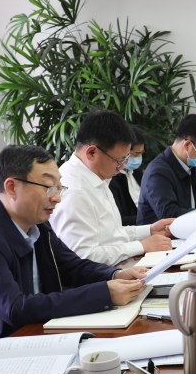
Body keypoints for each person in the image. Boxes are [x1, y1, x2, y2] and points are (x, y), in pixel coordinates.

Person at [0, 145, 148, 360]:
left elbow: (73, 267)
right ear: (11, 187)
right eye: (49, 188)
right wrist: (104, 294)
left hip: (30, 337)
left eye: (59, 189)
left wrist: (115, 274)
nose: (57, 198)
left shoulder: (37, 226)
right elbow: (15, 308)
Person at [52, 111, 174, 265]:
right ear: (92, 152)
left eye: (126, 159)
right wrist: (141, 246)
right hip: (102, 276)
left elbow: (112, 235)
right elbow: (83, 256)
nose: (122, 167)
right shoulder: (75, 191)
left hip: (116, 268)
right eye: (119, 160)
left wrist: (149, 230)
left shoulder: (95, 176)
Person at [108, 125, 147, 225]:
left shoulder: (137, 172)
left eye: (141, 153)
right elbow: (119, 220)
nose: (139, 158)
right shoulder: (110, 179)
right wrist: (149, 219)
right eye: (136, 154)